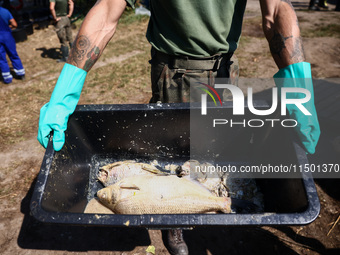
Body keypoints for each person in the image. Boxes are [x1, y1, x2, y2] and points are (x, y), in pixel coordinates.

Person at [37, 1, 321, 254]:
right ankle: (175, 221)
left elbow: (275, 11)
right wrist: (66, 88)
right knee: (175, 152)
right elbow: (109, 9)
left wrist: (297, 84)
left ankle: (212, 198)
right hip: (173, 73)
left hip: (223, 71)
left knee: (214, 148)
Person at [0, 5, 25, 84]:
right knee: (13, 54)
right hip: (7, 35)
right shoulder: (5, 11)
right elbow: (15, 24)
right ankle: (21, 74)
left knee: (1, 58)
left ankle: (7, 78)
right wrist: (8, 27)